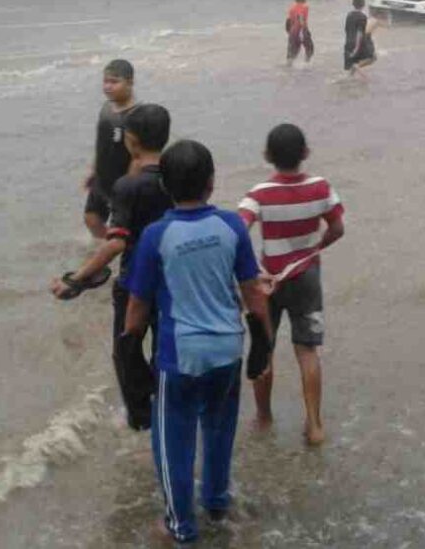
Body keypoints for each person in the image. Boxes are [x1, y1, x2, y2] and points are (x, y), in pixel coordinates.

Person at [124, 140, 272, 543]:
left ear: (166, 188)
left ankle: (180, 525)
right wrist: (264, 344)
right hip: (228, 350)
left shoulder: (157, 235)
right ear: (211, 183)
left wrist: (130, 355)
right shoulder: (231, 226)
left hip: (181, 357)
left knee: (174, 440)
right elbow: (253, 293)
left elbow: (137, 308)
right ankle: (218, 502)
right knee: (219, 429)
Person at [51, 104, 173, 430]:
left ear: (131, 140)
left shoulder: (128, 187)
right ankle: (168, 405)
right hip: (174, 279)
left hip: (135, 282)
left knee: (126, 350)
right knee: (165, 347)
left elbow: (117, 242)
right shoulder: (178, 176)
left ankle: (140, 419)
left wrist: (76, 279)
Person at [238, 124, 345, 445]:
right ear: (306, 153)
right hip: (307, 276)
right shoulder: (321, 188)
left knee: (264, 348)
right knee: (308, 350)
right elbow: (338, 228)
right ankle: (314, 424)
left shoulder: (258, 194)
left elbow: (238, 232)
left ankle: (264, 416)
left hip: (267, 281)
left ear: (267, 156)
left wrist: (255, 270)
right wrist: (314, 249)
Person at [84, 60, 140, 240]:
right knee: (91, 218)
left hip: (121, 183)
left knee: (122, 228)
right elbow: (102, 143)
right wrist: (93, 170)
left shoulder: (135, 116)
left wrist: (129, 186)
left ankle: (118, 249)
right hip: (102, 178)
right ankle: (104, 250)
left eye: (114, 82)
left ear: (130, 82)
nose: (108, 87)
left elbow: (137, 157)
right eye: (105, 81)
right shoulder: (106, 108)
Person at [343, 0, 377, 75]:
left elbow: (346, 29)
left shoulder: (349, 15)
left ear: (353, 3)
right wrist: (356, 48)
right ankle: (357, 66)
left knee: (350, 71)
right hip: (357, 44)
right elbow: (360, 33)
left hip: (348, 42)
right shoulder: (362, 17)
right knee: (372, 57)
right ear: (364, 4)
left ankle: (350, 83)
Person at [286, 0, 314, 65]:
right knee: (310, 49)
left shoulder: (292, 8)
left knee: (292, 53)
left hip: (293, 32)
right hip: (301, 30)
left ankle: (288, 68)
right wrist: (303, 30)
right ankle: (306, 65)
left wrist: (289, 32)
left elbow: (288, 21)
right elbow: (300, 17)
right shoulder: (304, 7)